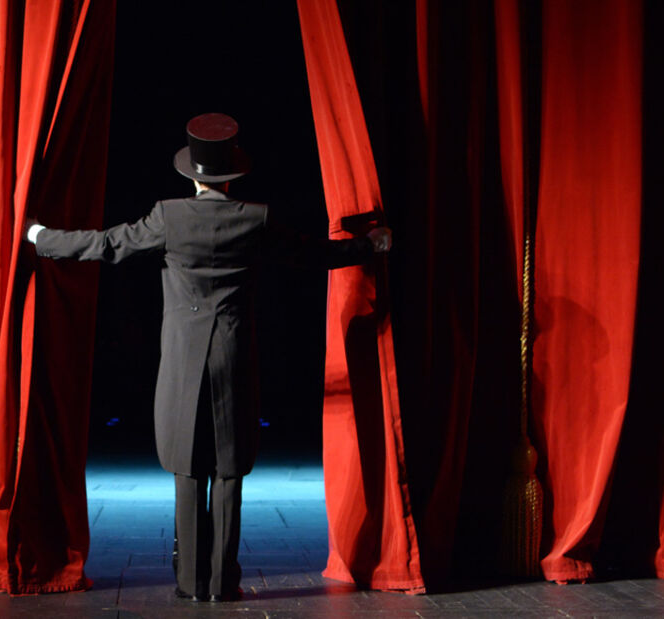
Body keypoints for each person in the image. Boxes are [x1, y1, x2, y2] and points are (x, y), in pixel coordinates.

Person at [25, 112, 391, 602]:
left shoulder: (169, 217)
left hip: (181, 361)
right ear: (233, 173)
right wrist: (369, 245)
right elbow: (312, 254)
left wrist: (38, 237)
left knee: (187, 468)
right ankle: (222, 582)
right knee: (229, 468)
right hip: (233, 357)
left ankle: (189, 581)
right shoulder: (254, 218)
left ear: (193, 174)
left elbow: (107, 245)